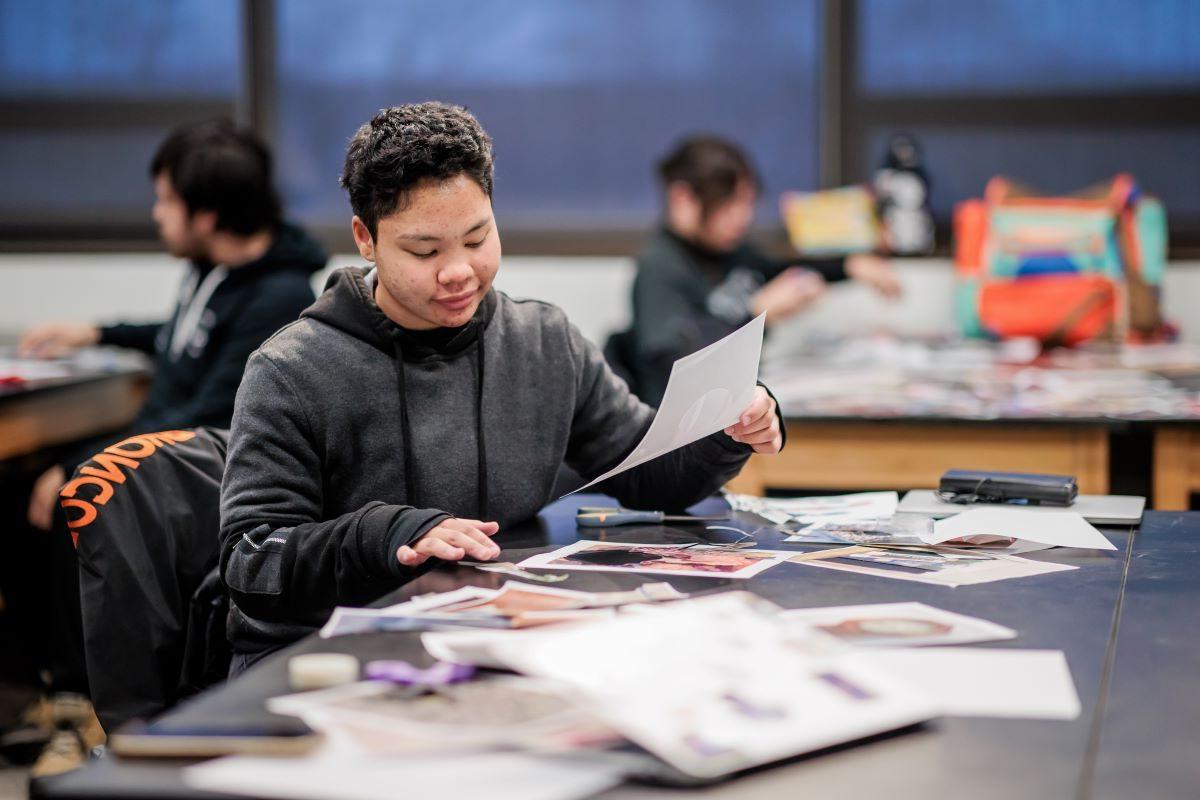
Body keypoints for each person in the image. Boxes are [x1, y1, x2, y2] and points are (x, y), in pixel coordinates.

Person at [218, 103, 786, 671]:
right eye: (425, 251)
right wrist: (385, 533)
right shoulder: (293, 370)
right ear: (366, 239)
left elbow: (648, 468)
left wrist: (727, 426)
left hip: (493, 636)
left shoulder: (541, 341)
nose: (459, 271)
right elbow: (251, 561)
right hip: (327, 660)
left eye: (477, 238)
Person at [18, 120, 328, 530]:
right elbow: (190, 338)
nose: (156, 214)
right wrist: (96, 334)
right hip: (151, 441)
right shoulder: (213, 266)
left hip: (185, 469)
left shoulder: (279, 299)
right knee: (23, 480)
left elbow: (210, 416)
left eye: (166, 201)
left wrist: (82, 467)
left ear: (206, 217)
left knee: (47, 493)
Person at [622, 135, 903, 405]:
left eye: (747, 203)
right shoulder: (659, 270)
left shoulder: (730, 252)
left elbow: (780, 269)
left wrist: (849, 264)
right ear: (682, 198)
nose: (743, 217)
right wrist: (757, 314)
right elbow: (677, 363)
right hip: (685, 433)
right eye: (726, 204)